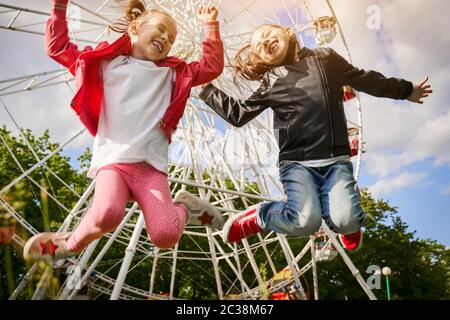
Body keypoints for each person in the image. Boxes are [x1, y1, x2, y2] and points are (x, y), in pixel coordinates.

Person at [199, 24, 432, 251]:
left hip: (335, 158)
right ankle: (262, 216)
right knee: (305, 223)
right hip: (297, 163)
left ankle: (349, 221)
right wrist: (205, 87)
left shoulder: (326, 59)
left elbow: (365, 80)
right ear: (264, 62)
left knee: (347, 221)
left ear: (288, 32)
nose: (264, 42)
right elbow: (238, 114)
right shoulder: (271, 81)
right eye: (258, 47)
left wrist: (405, 90)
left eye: (267, 34)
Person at [24, 0, 225, 261]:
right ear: (134, 28)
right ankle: (68, 246)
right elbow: (58, 48)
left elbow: (212, 67)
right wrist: (59, 7)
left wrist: (211, 27)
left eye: (171, 38)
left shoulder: (174, 74)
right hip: (114, 162)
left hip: (150, 168)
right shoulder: (105, 65)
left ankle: (186, 206)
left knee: (166, 235)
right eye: (161, 29)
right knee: (107, 213)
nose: (166, 38)